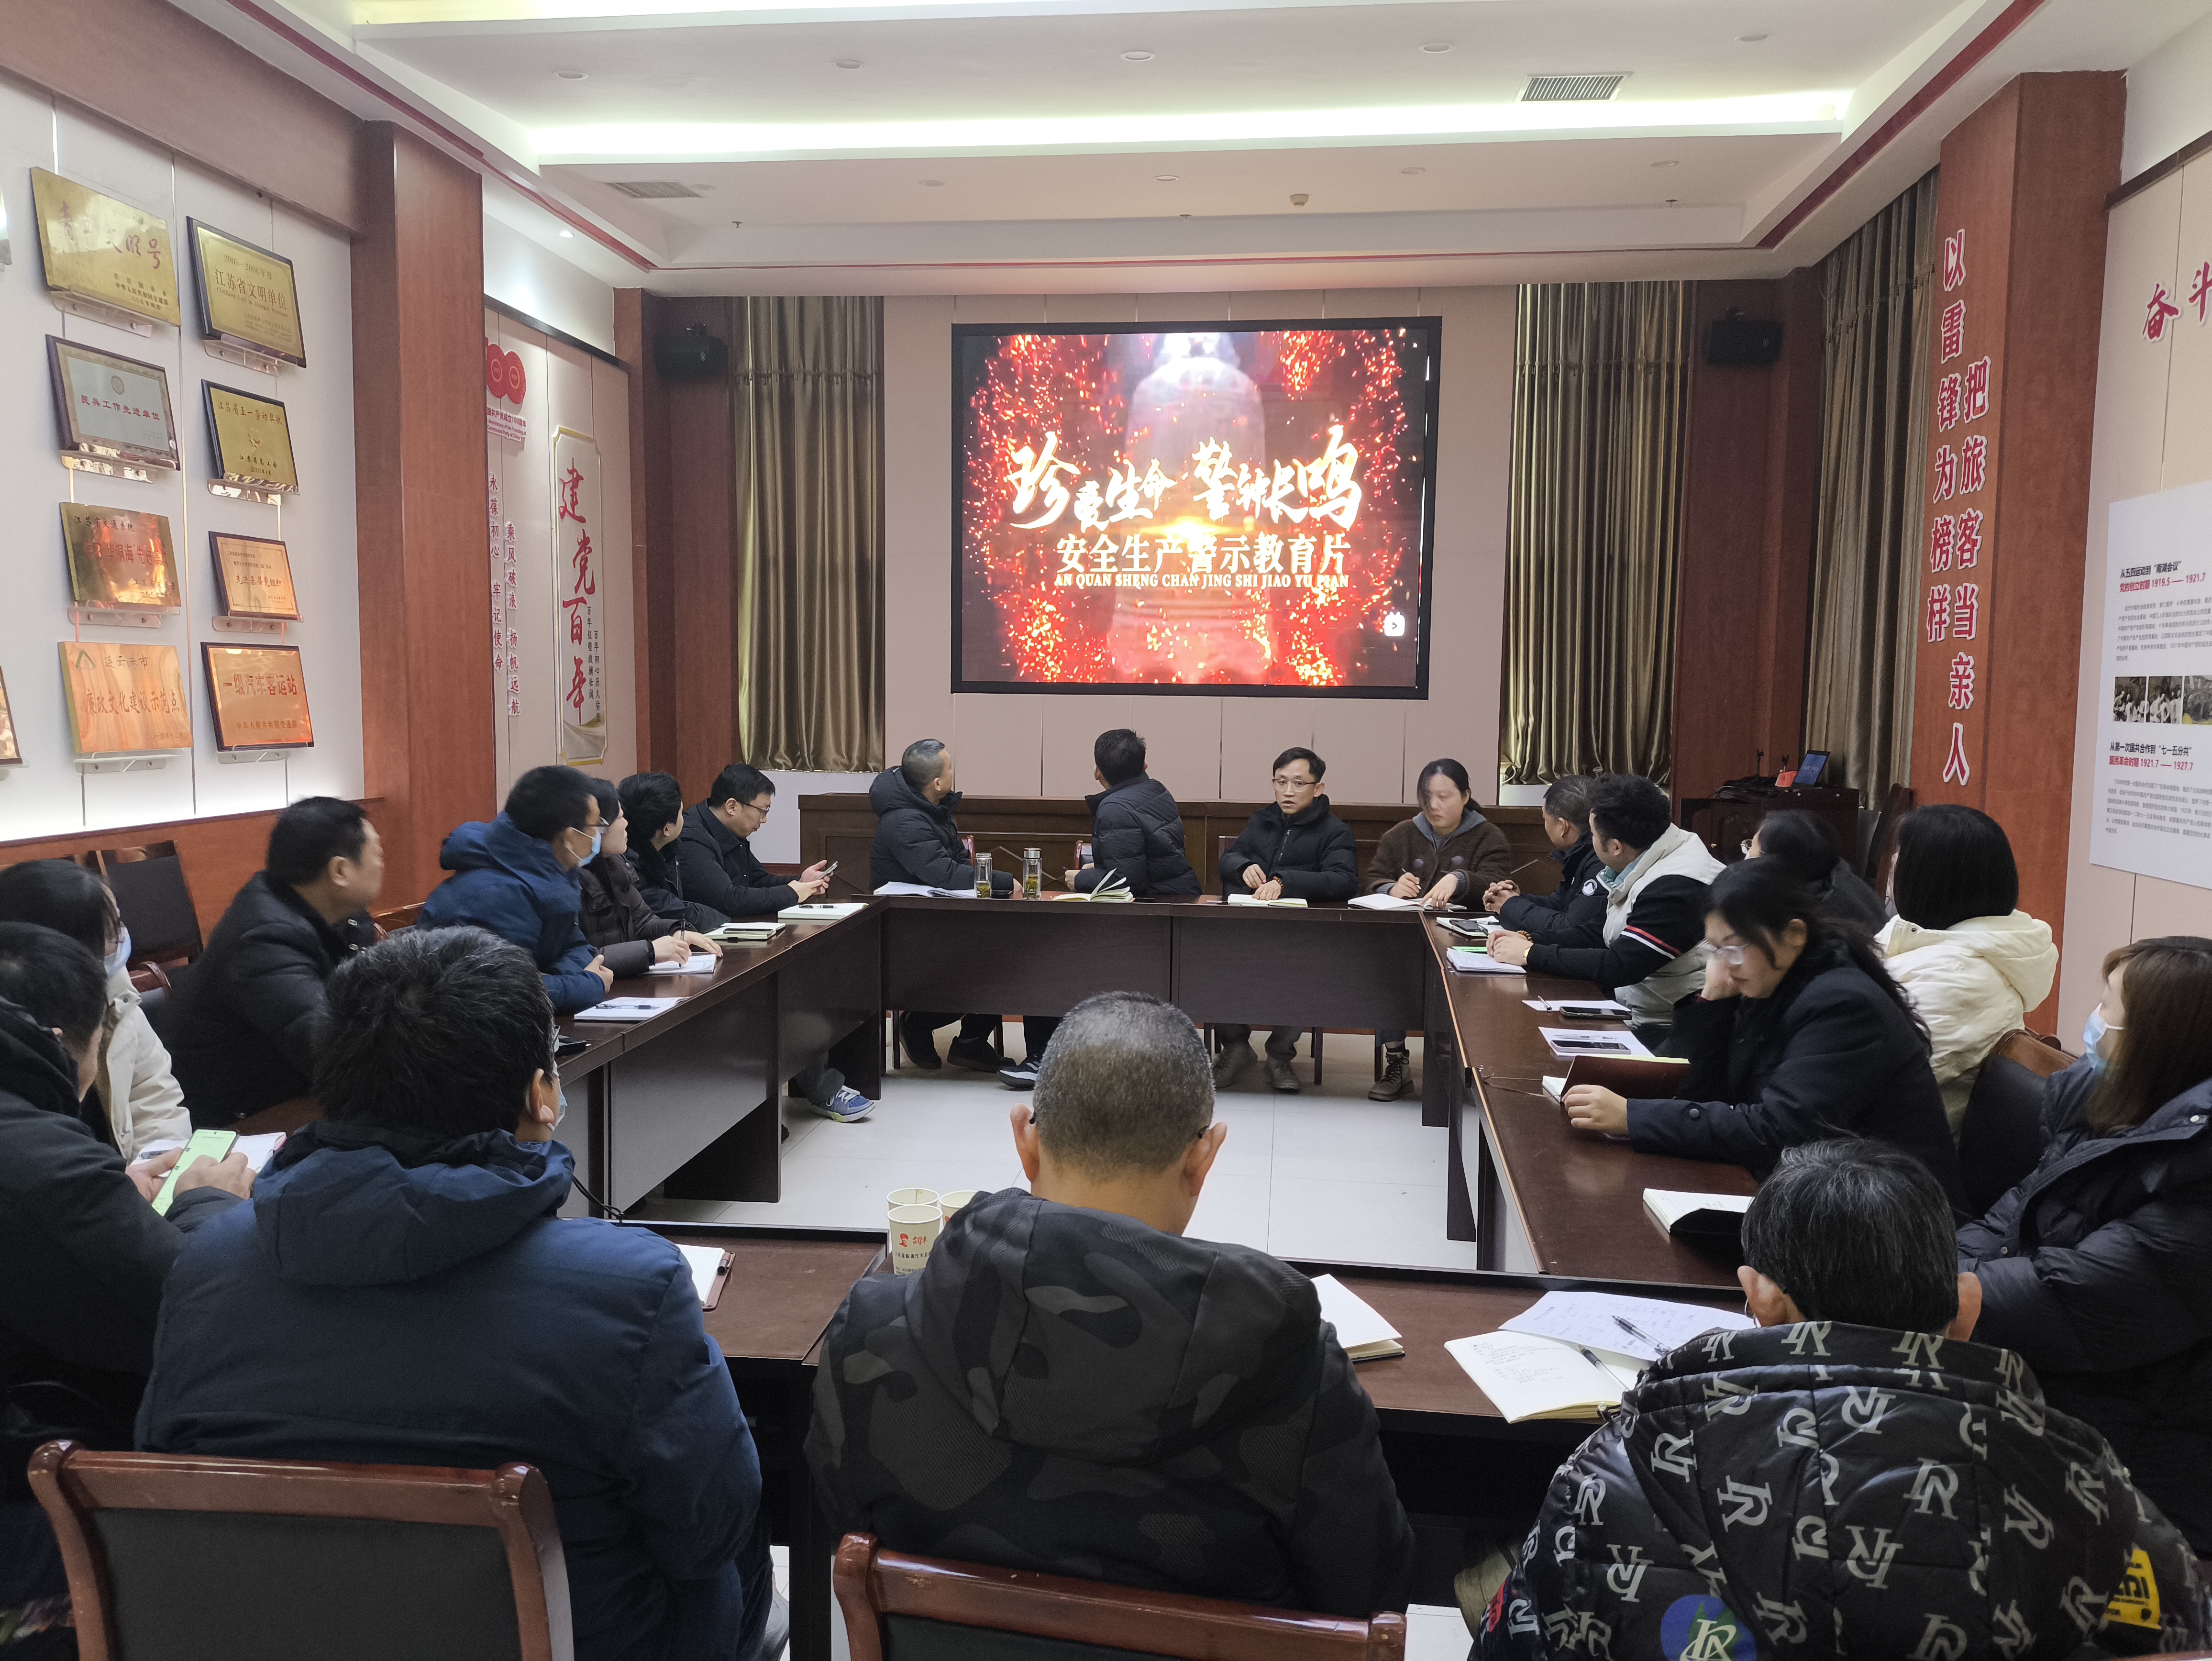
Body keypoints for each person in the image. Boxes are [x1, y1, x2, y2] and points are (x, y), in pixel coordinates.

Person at [137, 927, 784, 1661]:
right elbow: (712, 1529)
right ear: (543, 1095)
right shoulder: (634, 1289)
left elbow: (167, 1490)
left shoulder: (205, 1267)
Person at [1475, 1139, 2211, 1660]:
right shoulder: (2100, 1497)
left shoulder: (1618, 1474)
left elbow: (1517, 1644)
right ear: (1964, 1310)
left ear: (1762, 1300)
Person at [807, 991, 1416, 1621]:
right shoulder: (1296, 1374)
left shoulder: (868, 1333)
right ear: (1203, 1158)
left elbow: (846, 1522)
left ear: (1025, 1142)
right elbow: (1370, 1605)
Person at [0, 922, 251, 1657]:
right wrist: (206, 1202)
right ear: (59, 1040)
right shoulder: (38, 1164)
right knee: (228, 1536)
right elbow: (194, 1312)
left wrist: (104, 1200)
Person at [1959, 935, 2212, 1553]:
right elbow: (2006, 1222)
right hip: (2051, 1395)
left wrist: (1923, 1291)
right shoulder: (2111, 1109)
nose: (2093, 1021)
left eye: (2108, 1007)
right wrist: (1931, 1273)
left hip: (2139, 1481)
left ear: (2159, 1040)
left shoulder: (2199, 1179)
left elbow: (2066, 1301)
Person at [1563, 857, 1966, 1205]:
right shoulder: (1770, 980)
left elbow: (1780, 1130)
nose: (1723, 964)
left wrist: (1632, 1117)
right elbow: (1701, 1092)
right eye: (1715, 950)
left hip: (1888, 1211)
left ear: (1794, 935)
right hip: (1819, 1191)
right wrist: (1711, 1001)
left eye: (1733, 949)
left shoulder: (1843, 1004)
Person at [997, 729, 1201, 1092]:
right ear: (1145, 766)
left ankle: (1045, 1060)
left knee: (1044, 963)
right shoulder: (1156, 790)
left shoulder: (1115, 807)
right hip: (1169, 909)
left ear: (1098, 771)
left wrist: (1080, 878)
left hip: (1143, 921)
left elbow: (1127, 881)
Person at [162, 797, 382, 1123]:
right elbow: (329, 1046)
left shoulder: (343, 917)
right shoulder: (264, 938)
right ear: (340, 871)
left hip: (295, 1090)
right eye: (378, 854)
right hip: (241, 1119)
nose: (381, 865)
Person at [1488, 775, 1721, 1033]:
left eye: (1593, 834)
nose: (1590, 842)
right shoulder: (1647, 855)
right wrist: (1530, 939)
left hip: (1672, 1025)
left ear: (1616, 847)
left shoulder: (1676, 885)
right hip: (1638, 1008)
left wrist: (1530, 954)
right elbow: (1598, 932)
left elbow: (1621, 965)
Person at [1880, 803, 2058, 1137]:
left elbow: (1876, 1084)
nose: (1892, 860)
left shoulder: (1957, 978)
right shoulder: (1931, 942)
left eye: (1903, 853)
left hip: (1901, 1156)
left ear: (1933, 878)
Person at [0, 859, 188, 1159]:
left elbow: (155, 1095)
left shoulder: (117, 993)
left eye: (119, 920)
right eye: (112, 930)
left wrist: (159, 1167)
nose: (123, 936)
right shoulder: (17, 1036)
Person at [1364, 758, 1511, 1100]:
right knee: (1386, 969)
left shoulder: (1488, 836)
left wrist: (1461, 880)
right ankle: (1397, 1062)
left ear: (1466, 796)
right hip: (1406, 937)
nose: (1433, 805)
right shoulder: (1401, 834)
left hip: (1463, 941)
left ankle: (1452, 1067)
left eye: (1444, 797)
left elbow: (1497, 883)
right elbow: (1371, 879)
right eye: (1427, 797)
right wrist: (1390, 887)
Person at [1215, 747, 1358, 1093]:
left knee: (1303, 973)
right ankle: (1235, 1048)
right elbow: (1230, 857)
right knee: (1211, 962)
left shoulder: (1334, 831)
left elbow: (1343, 880)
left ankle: (1280, 1055)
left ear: (1318, 788)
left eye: (1298, 783)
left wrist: (1284, 881)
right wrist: (1242, 867)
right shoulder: (1262, 821)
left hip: (1300, 934)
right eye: (1281, 782)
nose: (1288, 791)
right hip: (1248, 928)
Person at [417, 764, 613, 1016]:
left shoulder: (552, 873)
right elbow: (503, 993)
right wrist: (587, 984)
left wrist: (551, 979)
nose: (598, 835)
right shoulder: (497, 894)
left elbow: (578, 948)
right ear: (569, 836)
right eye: (595, 826)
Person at [871, 739, 1016, 1070]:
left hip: (942, 920)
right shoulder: (904, 821)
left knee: (1007, 950)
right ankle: (918, 1022)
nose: (954, 773)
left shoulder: (935, 809)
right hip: (909, 930)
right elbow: (944, 874)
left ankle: (969, 1042)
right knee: (991, 962)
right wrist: (1004, 881)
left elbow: (961, 863)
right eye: (950, 768)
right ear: (937, 782)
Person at [577, 777, 722, 979]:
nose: (626, 824)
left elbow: (644, 922)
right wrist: (650, 951)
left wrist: (676, 932)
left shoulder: (616, 865)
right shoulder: (571, 881)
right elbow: (580, 960)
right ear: (596, 827)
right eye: (620, 818)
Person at [677, 764, 830, 920]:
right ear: (732, 807)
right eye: (762, 811)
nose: (764, 820)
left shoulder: (731, 829)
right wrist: (791, 893)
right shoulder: (692, 837)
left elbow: (758, 880)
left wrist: (801, 882)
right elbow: (729, 900)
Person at [1483, 775, 1604, 946]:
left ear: (1563, 827)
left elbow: (1571, 928)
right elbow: (1560, 904)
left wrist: (1510, 905)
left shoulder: (1601, 860)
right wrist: (1515, 897)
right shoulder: (1582, 853)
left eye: (1545, 819)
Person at [1746, 807, 1888, 930]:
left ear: (1777, 865)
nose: (1747, 858)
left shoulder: (1818, 918)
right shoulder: (1834, 875)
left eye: (1751, 849)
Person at [620, 770, 727, 931]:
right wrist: (724, 918)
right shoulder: (629, 867)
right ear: (667, 829)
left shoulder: (666, 848)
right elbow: (680, 913)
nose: (686, 818)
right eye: (681, 813)